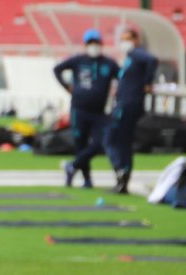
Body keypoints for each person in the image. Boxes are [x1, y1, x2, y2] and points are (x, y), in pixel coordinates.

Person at [53, 29, 119, 189]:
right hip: (79, 110)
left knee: (101, 142)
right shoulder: (78, 60)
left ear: (101, 44)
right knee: (80, 143)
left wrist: (118, 92)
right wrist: (66, 86)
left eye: (96, 43)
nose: (94, 46)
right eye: (91, 43)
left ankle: (72, 166)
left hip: (99, 112)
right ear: (86, 45)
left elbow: (122, 77)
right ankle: (86, 179)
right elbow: (57, 69)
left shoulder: (109, 63)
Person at [108, 27, 159, 194]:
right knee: (122, 143)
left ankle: (121, 173)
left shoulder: (137, 54)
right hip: (124, 104)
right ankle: (122, 178)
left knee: (113, 140)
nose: (125, 42)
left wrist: (147, 82)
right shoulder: (130, 58)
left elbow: (152, 60)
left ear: (136, 40)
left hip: (127, 105)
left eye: (128, 38)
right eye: (123, 39)